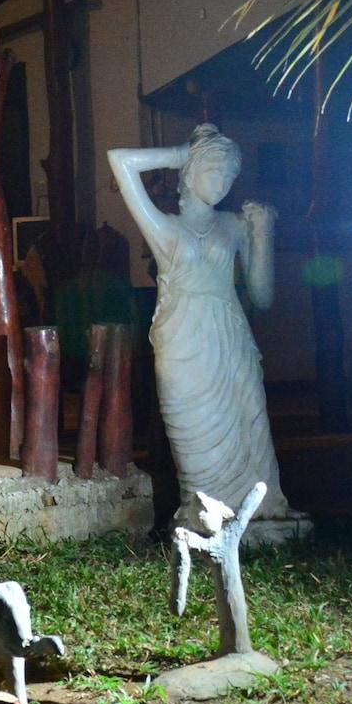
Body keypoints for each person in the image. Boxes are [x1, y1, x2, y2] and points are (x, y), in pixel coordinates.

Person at [107, 123, 291, 521]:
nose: (223, 183)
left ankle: (263, 510)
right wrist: (179, 153)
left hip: (231, 337)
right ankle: (205, 515)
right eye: (214, 170)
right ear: (189, 174)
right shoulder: (165, 228)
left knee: (251, 424)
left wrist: (263, 236)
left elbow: (262, 296)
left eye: (229, 175)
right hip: (182, 342)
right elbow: (119, 161)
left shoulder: (235, 225)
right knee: (196, 442)